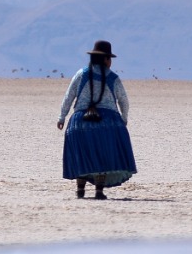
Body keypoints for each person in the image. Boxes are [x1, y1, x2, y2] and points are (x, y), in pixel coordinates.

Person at [57, 40, 136, 199]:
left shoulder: (81, 74)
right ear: (106, 59)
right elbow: (124, 101)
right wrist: (124, 119)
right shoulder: (113, 78)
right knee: (102, 155)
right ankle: (99, 190)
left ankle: (80, 190)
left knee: (82, 154)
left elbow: (69, 96)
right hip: (107, 122)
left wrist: (62, 116)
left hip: (80, 122)